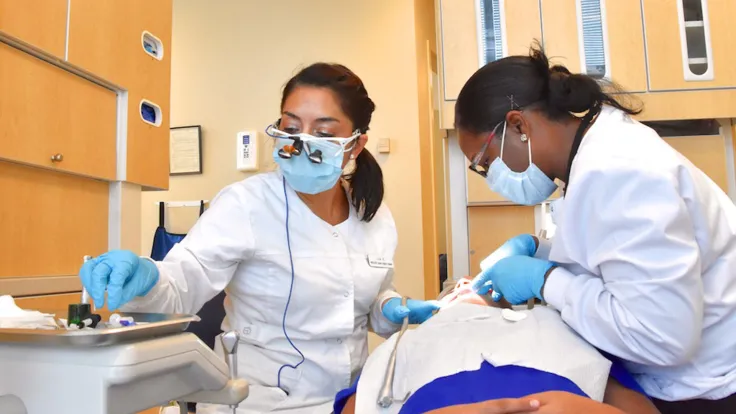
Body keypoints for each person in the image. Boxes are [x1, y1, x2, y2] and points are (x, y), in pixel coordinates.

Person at [78, 63, 440, 413]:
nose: (302, 143)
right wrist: (147, 276)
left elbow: (366, 301)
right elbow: (183, 281)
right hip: (258, 401)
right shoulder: (246, 204)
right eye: (291, 126)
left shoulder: (372, 215)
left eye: (324, 134)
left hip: (350, 399)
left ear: (356, 145)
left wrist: (392, 308)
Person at [456, 45, 736, 413]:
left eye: (485, 162)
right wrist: (541, 250)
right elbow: (616, 249)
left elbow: (662, 336)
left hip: (705, 384)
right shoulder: (594, 149)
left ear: (518, 125)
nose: (489, 177)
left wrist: (545, 280)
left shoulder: (615, 170)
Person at [334, 278, 660, 414]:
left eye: (475, 281)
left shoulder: (557, 324)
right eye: (456, 287)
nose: (465, 284)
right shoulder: (406, 341)